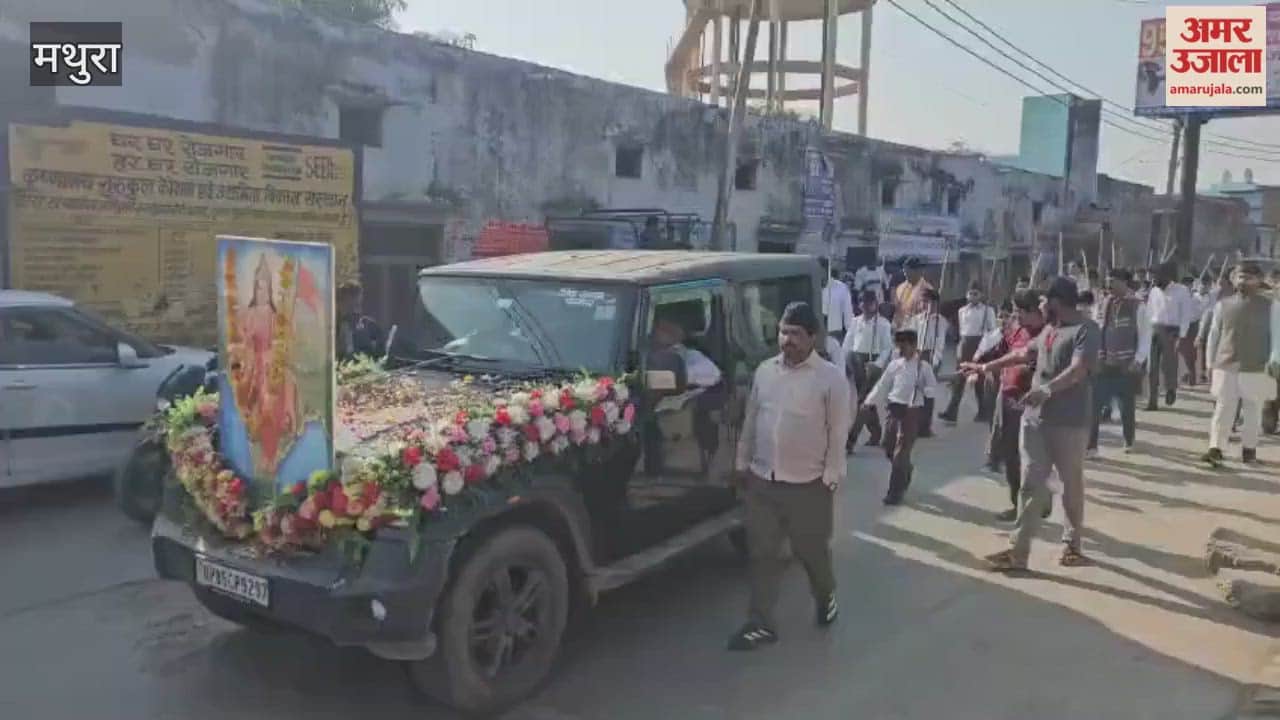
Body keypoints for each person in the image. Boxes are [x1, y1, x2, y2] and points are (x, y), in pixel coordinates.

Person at [729, 302, 850, 651]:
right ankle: (761, 623)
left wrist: (830, 476)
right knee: (762, 553)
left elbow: (838, 431)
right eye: (784, 332)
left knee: (811, 553)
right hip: (763, 480)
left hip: (808, 485)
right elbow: (752, 420)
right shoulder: (765, 371)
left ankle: (826, 596)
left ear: (813, 337)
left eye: (796, 334)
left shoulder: (830, 379)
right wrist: (742, 462)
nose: (787, 340)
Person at [981, 277, 1100, 572]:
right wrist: (987, 366)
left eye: (1046, 301)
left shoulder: (1086, 329)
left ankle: (1072, 546)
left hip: (1069, 423)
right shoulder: (1050, 328)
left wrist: (1047, 390)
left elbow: (1078, 369)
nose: (1042, 305)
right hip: (1035, 421)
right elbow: (1024, 353)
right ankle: (1017, 552)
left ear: (1058, 301)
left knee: (1071, 484)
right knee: (1030, 484)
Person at [963, 290, 1049, 521]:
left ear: (1033, 310)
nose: (1015, 316)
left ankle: (1041, 496)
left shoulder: (1046, 334)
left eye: (1020, 311)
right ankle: (1017, 503)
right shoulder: (1017, 329)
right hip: (1007, 397)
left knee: (1032, 457)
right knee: (1010, 455)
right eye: (1014, 311)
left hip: (1032, 402)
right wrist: (978, 365)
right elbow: (1000, 349)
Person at [1201, 263, 1280, 466]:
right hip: (1226, 363)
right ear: (1234, 279)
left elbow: (1277, 335)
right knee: (1223, 408)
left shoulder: (1272, 306)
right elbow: (1214, 334)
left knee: (1252, 410)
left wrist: (1274, 359)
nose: (1243, 281)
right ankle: (1215, 448)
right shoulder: (1223, 304)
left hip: (1257, 366)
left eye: (1249, 277)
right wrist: (1210, 362)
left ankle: (1249, 451)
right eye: (1240, 277)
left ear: (1258, 280)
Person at [862, 328, 937, 505]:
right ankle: (906, 469)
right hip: (893, 408)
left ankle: (894, 492)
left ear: (913, 346)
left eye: (904, 346)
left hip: (912, 411)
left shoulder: (923, 367)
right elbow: (883, 385)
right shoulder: (894, 365)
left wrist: (923, 389)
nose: (900, 350)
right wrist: (869, 402)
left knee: (900, 454)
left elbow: (932, 389)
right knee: (888, 447)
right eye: (898, 346)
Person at [1087, 269, 1150, 457]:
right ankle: (1091, 446)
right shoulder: (1104, 303)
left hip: (1126, 364)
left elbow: (1145, 335)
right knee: (1095, 405)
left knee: (1126, 406)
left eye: (1113, 281)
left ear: (1124, 283)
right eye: (1107, 282)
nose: (1109, 286)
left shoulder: (1138, 306)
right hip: (1105, 362)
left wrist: (1138, 360)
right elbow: (1098, 329)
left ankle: (1129, 440)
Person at [940, 282, 997, 424]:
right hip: (965, 345)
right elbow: (961, 332)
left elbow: (993, 331)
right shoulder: (962, 311)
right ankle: (951, 412)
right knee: (959, 379)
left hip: (980, 344)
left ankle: (984, 411)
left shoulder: (987, 311)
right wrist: (960, 347)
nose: (972, 296)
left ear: (981, 295)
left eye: (976, 293)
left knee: (979, 381)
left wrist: (987, 348)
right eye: (970, 293)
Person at [843, 290, 893, 450]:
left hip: (873, 362)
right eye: (862, 303)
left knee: (863, 401)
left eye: (869, 303)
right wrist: (844, 362)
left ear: (875, 304)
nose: (865, 306)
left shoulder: (883, 323)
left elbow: (887, 348)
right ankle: (876, 433)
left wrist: (877, 364)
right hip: (856, 360)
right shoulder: (855, 321)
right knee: (865, 400)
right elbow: (848, 343)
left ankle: (850, 440)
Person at [1145, 261, 1193, 410]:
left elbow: (1186, 315)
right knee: (1151, 367)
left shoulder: (1181, 291)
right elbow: (1149, 312)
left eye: (1156, 276)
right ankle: (1152, 400)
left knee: (1168, 365)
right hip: (1154, 329)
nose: (1153, 279)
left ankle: (1171, 388)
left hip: (1171, 332)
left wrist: (1182, 336)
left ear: (1166, 276)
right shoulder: (1154, 291)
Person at [909, 288, 947, 437]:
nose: (925, 305)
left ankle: (925, 426)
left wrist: (935, 359)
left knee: (928, 392)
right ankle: (915, 424)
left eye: (929, 302)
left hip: (931, 355)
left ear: (936, 303)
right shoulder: (917, 319)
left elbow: (940, 342)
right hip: (917, 353)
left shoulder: (940, 321)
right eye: (923, 302)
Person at [651, 317, 722, 388]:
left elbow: (713, 373)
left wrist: (656, 379)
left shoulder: (689, 355)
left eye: (657, 329)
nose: (652, 334)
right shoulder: (644, 354)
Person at [337, 282, 384, 361]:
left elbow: (381, 354)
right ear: (339, 304)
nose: (354, 311)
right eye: (350, 306)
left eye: (357, 305)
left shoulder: (370, 326)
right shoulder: (331, 330)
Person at [819, 257, 855, 344]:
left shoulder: (841, 288)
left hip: (835, 334)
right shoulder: (809, 287)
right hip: (813, 334)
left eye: (821, 271)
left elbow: (848, 313)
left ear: (827, 270)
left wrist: (851, 336)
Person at [892, 257, 933, 328]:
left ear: (918, 271)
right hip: (902, 328)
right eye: (905, 271)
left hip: (918, 327)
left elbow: (929, 313)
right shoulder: (900, 288)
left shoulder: (927, 289)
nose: (906, 274)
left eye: (909, 271)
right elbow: (896, 309)